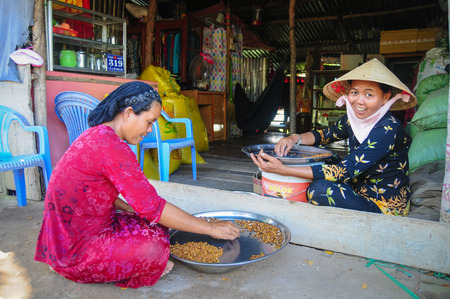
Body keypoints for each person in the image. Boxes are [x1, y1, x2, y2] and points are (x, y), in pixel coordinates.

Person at [35, 81, 240, 288]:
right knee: (156, 247)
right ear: (129, 113)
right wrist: (209, 228)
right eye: (149, 122)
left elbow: (91, 191)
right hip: (78, 246)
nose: (149, 130)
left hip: (65, 235)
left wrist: (130, 208)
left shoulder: (97, 134)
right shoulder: (112, 147)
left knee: (157, 224)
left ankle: (63, 256)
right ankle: (72, 265)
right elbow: (154, 208)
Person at [251, 59, 417, 216]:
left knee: (318, 189)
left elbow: (346, 169)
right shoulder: (353, 119)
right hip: (356, 186)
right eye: (354, 92)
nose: (359, 101)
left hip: (383, 204)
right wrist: (293, 138)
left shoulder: (388, 128)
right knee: (320, 152)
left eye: (369, 95)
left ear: (386, 97)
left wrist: (284, 170)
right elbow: (323, 135)